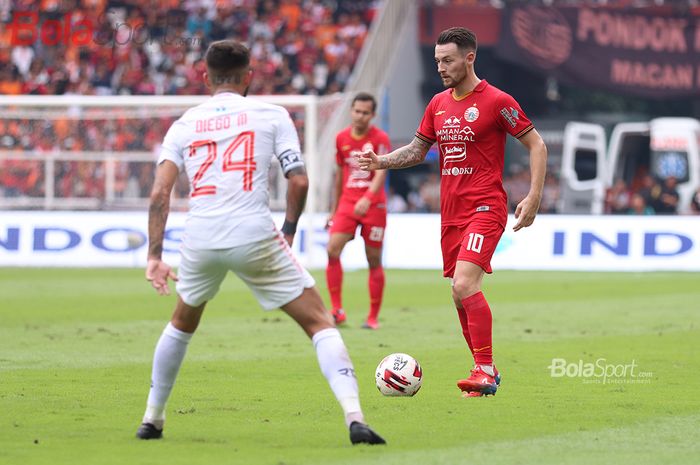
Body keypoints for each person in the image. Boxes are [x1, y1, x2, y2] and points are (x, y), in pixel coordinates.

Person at [137, 40, 385, 446]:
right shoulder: (272, 114)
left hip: (200, 236)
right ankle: (355, 417)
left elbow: (159, 194)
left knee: (182, 323)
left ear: (205, 76)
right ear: (249, 75)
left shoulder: (184, 123)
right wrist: (287, 231)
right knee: (319, 322)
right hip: (254, 233)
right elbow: (300, 181)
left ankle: (152, 417)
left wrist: (154, 256)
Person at [358, 27, 547, 397]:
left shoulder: (496, 100)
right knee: (458, 293)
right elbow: (416, 150)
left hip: (486, 207)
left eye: (448, 60)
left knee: (464, 284)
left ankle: (486, 370)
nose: (441, 67)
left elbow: (536, 144)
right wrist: (380, 161)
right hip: (451, 214)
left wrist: (534, 196)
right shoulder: (438, 104)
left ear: (469, 57)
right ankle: (482, 371)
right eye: (437, 61)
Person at [325, 92, 391, 329]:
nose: (360, 116)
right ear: (351, 111)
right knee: (332, 250)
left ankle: (372, 317)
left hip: (374, 205)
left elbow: (382, 171)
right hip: (347, 202)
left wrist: (369, 197)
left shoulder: (380, 138)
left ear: (372, 115)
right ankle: (336, 310)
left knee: (373, 259)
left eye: (365, 113)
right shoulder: (341, 138)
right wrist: (333, 210)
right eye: (357, 111)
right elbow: (340, 174)